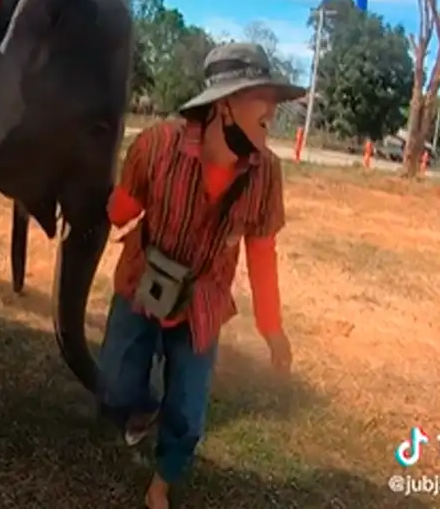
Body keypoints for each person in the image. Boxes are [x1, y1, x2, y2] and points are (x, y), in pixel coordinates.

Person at [98, 42, 302, 508]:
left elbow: (263, 253)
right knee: (114, 386)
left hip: (203, 301)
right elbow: (122, 208)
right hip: (142, 279)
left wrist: (272, 329)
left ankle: (161, 482)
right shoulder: (157, 146)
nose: (272, 108)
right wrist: (98, 204)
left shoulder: (265, 173)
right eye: (260, 95)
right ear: (224, 105)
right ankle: (143, 405)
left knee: (188, 411)